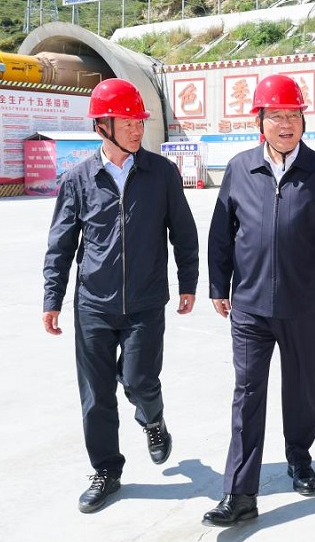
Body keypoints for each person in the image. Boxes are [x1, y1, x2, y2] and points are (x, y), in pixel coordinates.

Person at [204, 74, 315, 527]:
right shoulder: (240, 168)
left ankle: (299, 457)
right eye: (276, 116)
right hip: (250, 306)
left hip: (303, 305)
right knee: (247, 395)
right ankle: (239, 493)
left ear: (304, 120)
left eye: (293, 115)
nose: (285, 124)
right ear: (260, 122)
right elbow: (221, 231)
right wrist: (218, 285)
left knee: (301, 390)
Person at [43, 77, 199, 514]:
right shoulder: (79, 179)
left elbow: (184, 233)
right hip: (93, 305)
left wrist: (188, 282)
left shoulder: (161, 174)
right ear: (103, 126)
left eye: (139, 122)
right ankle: (106, 471)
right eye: (128, 122)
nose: (136, 129)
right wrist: (52, 299)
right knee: (95, 394)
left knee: (138, 381)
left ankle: (153, 419)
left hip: (145, 303)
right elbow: (60, 245)